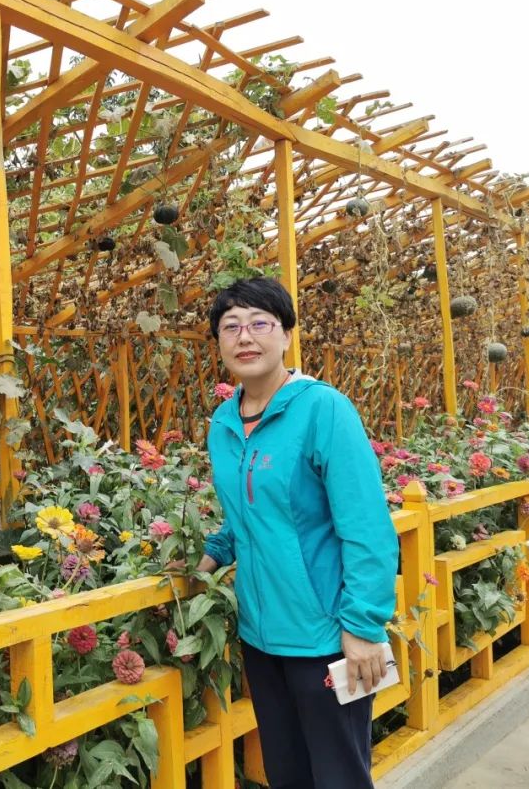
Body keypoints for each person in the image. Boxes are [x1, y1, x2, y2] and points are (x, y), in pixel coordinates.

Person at [196, 277, 398, 789]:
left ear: (286, 334)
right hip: (261, 637)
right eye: (230, 327)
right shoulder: (223, 423)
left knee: (339, 776)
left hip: (327, 636)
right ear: (219, 342)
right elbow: (245, 513)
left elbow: (367, 526)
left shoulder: (323, 409)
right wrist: (207, 558)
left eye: (260, 323)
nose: (245, 337)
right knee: (285, 774)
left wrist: (364, 626)